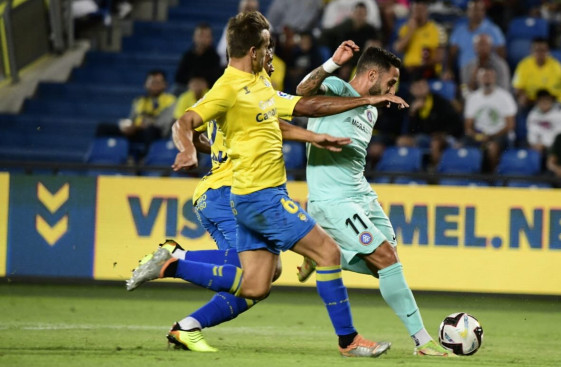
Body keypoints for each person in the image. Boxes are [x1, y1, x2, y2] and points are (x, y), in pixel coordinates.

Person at [127, 11, 396, 358]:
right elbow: (186, 120)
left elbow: (296, 108)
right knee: (327, 253)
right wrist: (187, 150)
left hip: (245, 196)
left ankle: (175, 268)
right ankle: (349, 341)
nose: (272, 54)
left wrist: (317, 134)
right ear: (253, 51)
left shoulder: (258, 85)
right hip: (259, 196)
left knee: (256, 284)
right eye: (268, 47)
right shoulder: (227, 89)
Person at [294, 46, 449, 356]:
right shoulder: (338, 88)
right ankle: (422, 341)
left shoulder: (372, 111)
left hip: (361, 193)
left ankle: (321, 250)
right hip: (333, 199)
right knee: (384, 257)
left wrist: (373, 101)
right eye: (391, 83)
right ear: (373, 75)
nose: (392, 91)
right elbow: (302, 91)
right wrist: (332, 64)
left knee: (388, 261)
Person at [463, 68, 517, 172]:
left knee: (492, 147)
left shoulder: (504, 96)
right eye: (484, 76)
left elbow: (510, 125)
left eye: (490, 76)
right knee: (460, 147)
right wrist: (477, 135)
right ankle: (469, 177)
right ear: (478, 79)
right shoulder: (473, 98)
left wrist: (491, 136)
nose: (487, 79)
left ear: (495, 78)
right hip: (479, 134)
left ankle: (492, 177)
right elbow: (468, 126)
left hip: (500, 134)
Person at [404, 78, 463, 167]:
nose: (421, 89)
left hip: (446, 136)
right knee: (403, 141)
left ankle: (437, 173)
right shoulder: (409, 104)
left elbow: (456, 123)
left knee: (435, 143)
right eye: (417, 86)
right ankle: (411, 172)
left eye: (423, 85)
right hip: (424, 138)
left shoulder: (440, 101)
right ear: (412, 90)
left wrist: (443, 134)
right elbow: (409, 131)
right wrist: (412, 113)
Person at [448, 0, 506, 77]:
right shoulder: (459, 30)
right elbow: (451, 54)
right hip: (465, 72)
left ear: (484, 12)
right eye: (473, 10)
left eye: (479, 10)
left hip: (488, 72)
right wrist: (448, 70)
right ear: (468, 12)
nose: (476, 13)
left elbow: (501, 53)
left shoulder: (493, 30)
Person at [392, 0, 446, 78]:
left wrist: (420, 65)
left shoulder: (437, 29)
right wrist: (410, 32)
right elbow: (397, 48)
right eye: (416, 10)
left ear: (427, 11)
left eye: (421, 10)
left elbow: (440, 57)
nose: (419, 14)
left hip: (428, 70)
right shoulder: (405, 28)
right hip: (407, 71)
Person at [512, 38, 561, 110]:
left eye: (543, 50)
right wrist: (523, 96)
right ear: (531, 51)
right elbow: (517, 88)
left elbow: (552, 94)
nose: (540, 53)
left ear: (548, 51)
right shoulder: (523, 65)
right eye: (537, 50)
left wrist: (540, 102)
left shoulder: (556, 66)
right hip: (531, 103)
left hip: (554, 103)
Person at [174, 23, 222, 93]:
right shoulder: (188, 56)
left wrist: (203, 83)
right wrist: (191, 82)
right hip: (188, 88)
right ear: (194, 37)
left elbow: (216, 78)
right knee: (176, 89)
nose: (203, 39)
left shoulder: (215, 57)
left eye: (206, 36)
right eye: (200, 36)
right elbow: (179, 77)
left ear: (211, 39)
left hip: (208, 89)